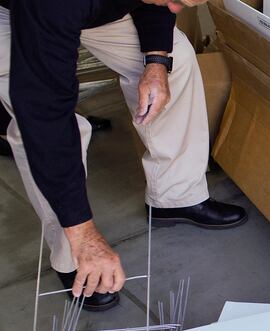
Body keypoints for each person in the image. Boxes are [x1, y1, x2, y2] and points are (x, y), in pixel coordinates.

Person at [0, 0, 245, 312]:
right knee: (46, 128)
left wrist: (156, 63)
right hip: (15, 13)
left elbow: (158, 6)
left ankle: (176, 195)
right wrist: (85, 235)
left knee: (177, 58)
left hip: (89, 8)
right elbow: (44, 114)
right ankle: (75, 257)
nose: (175, 7)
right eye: (175, 0)